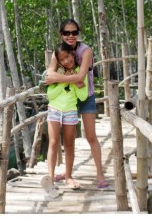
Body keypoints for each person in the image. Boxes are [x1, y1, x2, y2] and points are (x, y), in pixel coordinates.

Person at [44, 19, 109, 188]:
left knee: (90, 136)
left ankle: (100, 174)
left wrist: (59, 78)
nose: (71, 36)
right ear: (61, 35)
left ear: (78, 33)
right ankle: (66, 173)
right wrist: (61, 78)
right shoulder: (58, 51)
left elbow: (80, 78)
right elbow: (49, 73)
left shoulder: (85, 50)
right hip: (65, 101)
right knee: (61, 141)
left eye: (74, 32)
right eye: (67, 33)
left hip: (85, 95)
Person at [44, 42, 88, 192]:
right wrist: (65, 80)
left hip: (70, 112)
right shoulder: (56, 73)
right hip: (54, 110)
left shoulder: (81, 73)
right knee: (53, 142)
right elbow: (50, 95)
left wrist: (77, 82)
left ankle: (68, 176)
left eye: (67, 56)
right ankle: (50, 177)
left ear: (73, 55)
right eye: (62, 59)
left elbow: (82, 97)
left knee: (69, 144)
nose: (66, 61)